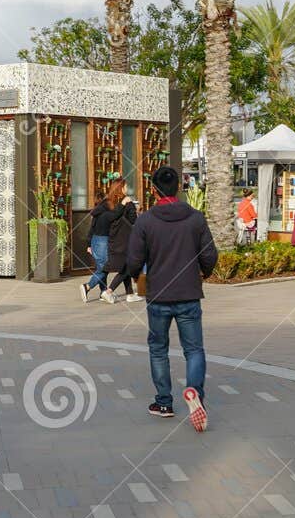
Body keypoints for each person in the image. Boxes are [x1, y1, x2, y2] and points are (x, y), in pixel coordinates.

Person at [127, 165, 217, 430]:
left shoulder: (145, 220)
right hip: (189, 293)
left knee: (158, 349)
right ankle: (194, 393)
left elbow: (134, 259)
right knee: (194, 349)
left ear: (154, 190)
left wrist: (136, 276)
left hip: (158, 295)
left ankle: (164, 402)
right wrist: (205, 273)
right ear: (178, 187)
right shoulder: (196, 218)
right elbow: (210, 255)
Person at [81, 180, 125, 303]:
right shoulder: (105, 211)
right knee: (104, 268)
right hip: (101, 241)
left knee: (102, 266)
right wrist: (122, 204)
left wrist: (89, 244)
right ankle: (87, 286)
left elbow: (92, 229)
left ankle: (103, 292)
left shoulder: (98, 212)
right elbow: (114, 215)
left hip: (97, 240)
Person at [103, 184, 142, 302]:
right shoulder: (128, 202)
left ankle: (130, 294)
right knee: (128, 267)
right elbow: (133, 220)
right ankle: (109, 291)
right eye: (125, 187)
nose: (127, 189)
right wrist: (136, 210)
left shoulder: (109, 203)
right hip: (126, 239)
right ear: (121, 189)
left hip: (115, 239)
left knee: (125, 266)